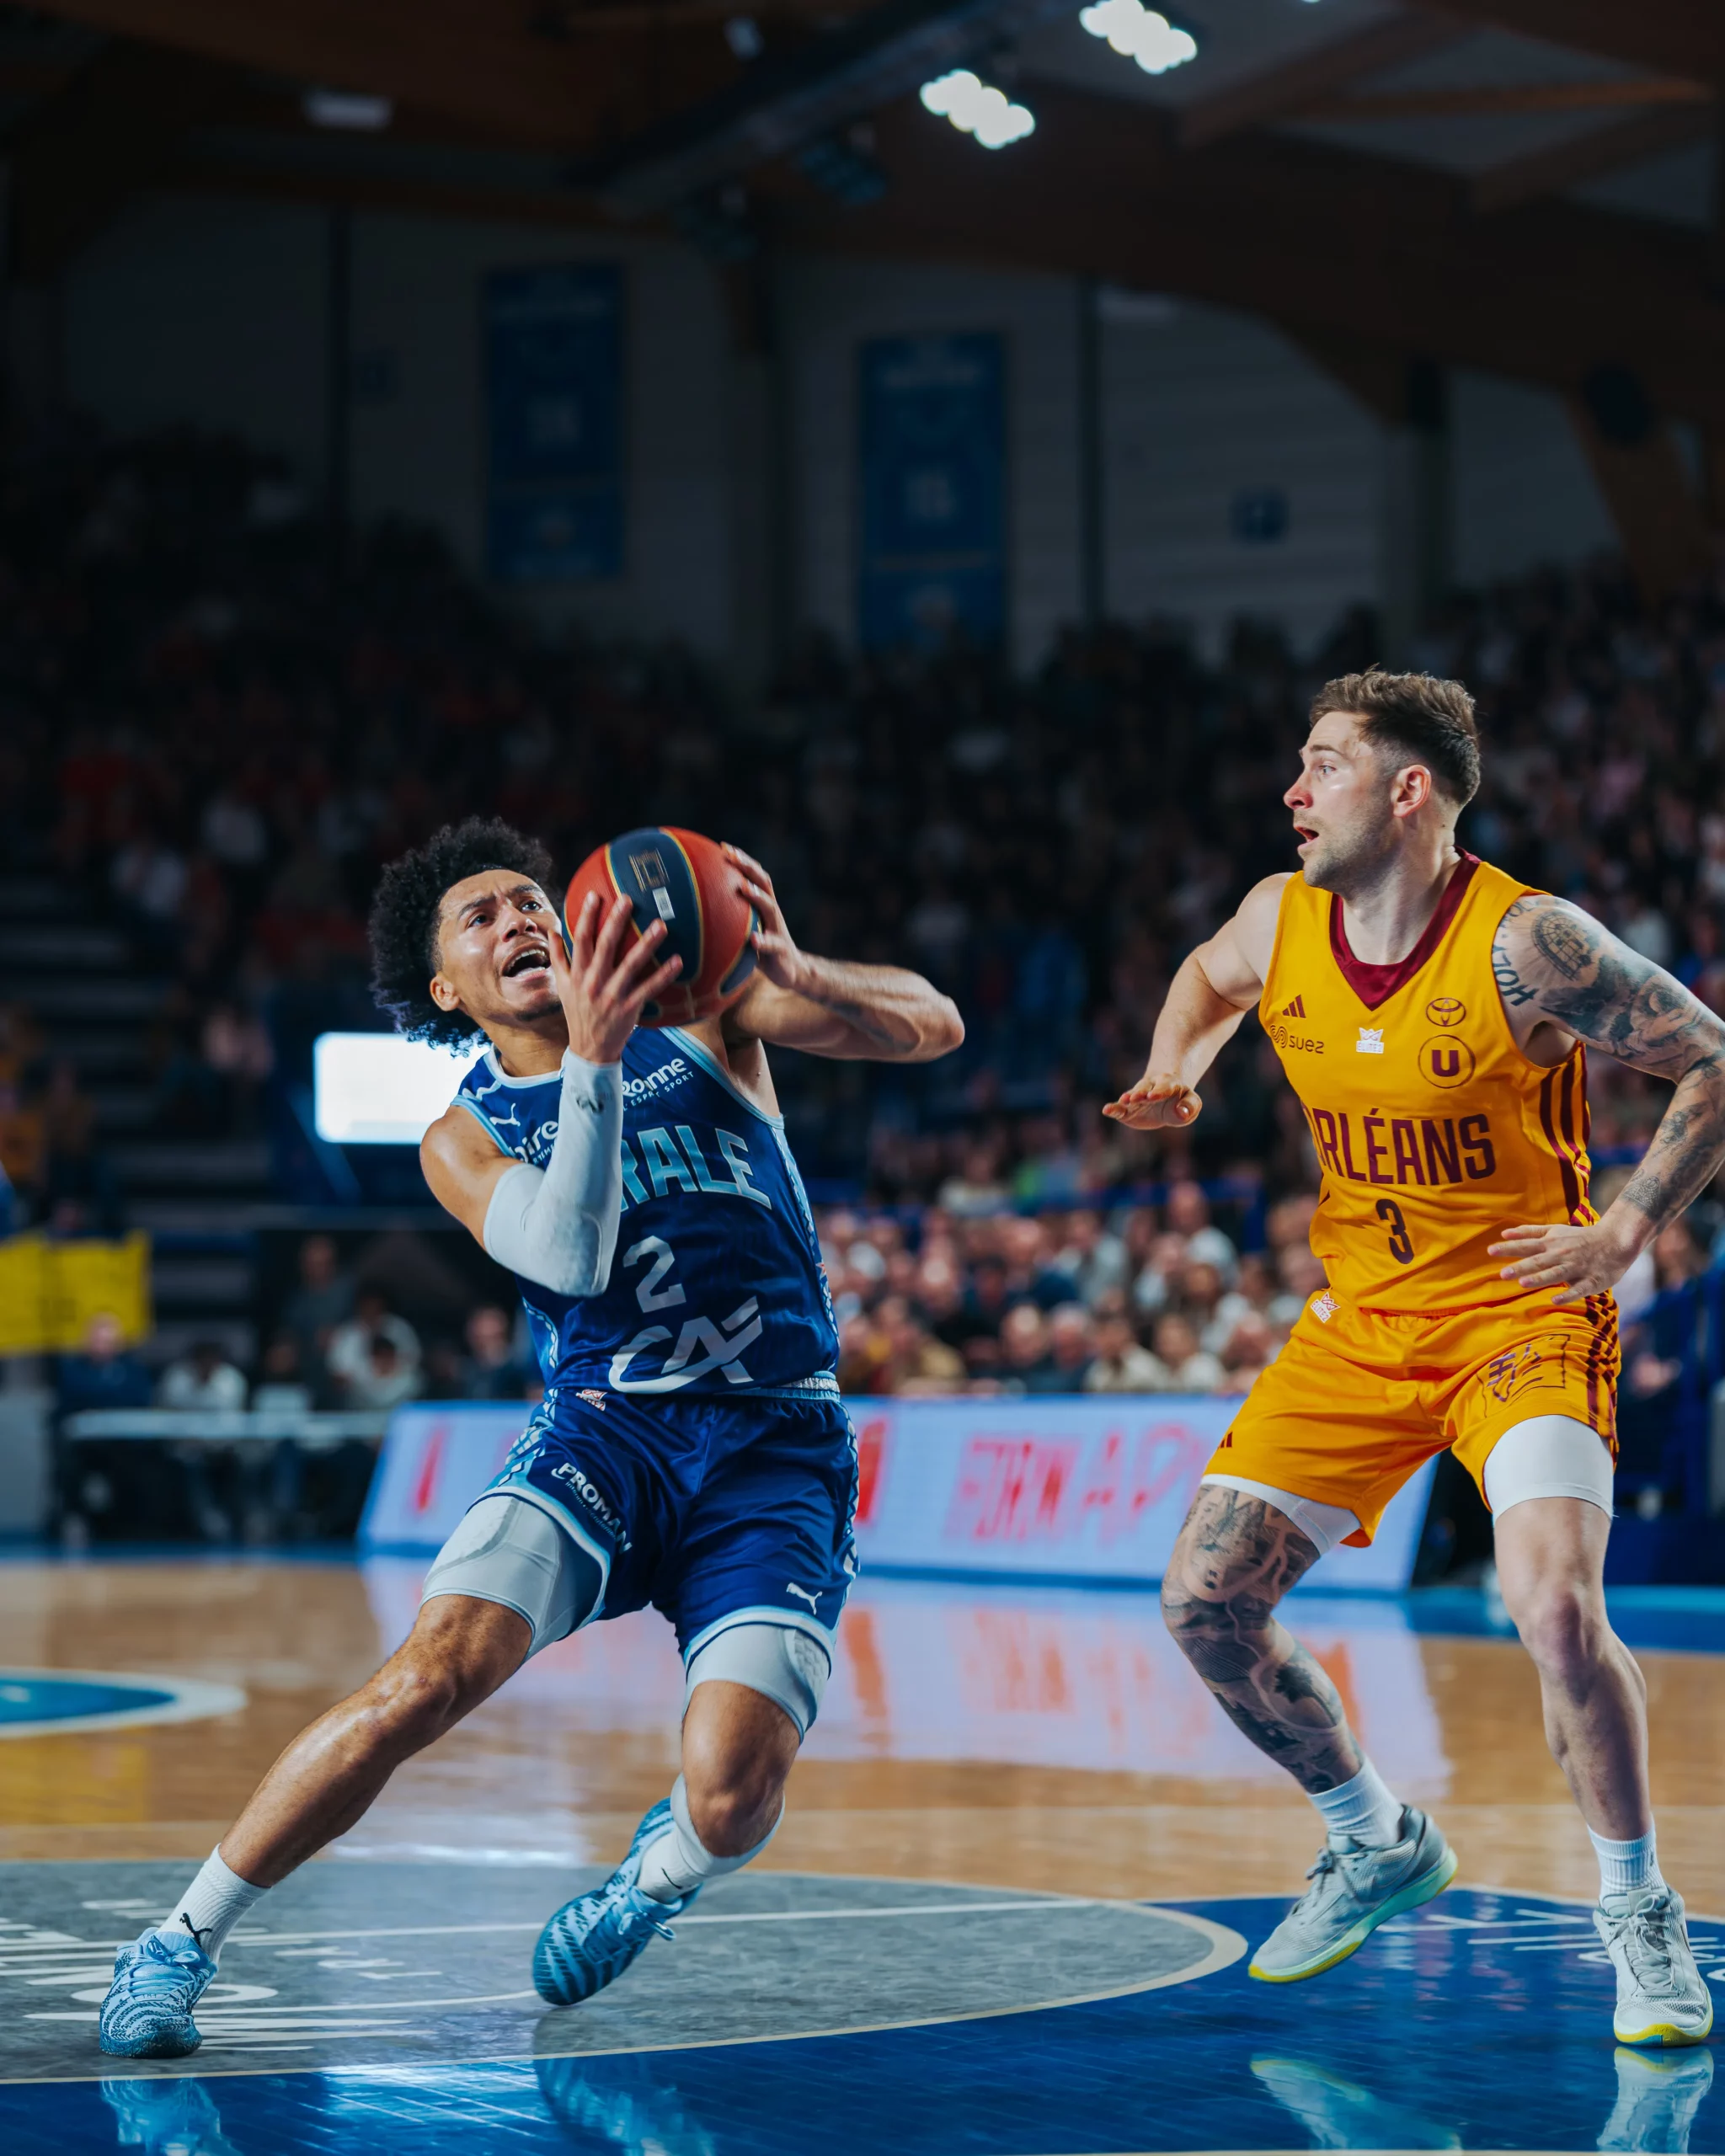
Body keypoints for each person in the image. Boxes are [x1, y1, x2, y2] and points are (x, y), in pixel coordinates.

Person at [99, 814, 960, 2059]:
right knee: (424, 1679)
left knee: (732, 1793)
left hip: (777, 1447)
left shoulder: (705, 1019)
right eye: (482, 916)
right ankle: (179, 1941)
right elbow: (571, 1257)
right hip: (607, 1436)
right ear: (446, 990)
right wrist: (594, 1064)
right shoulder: (462, 1136)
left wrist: (799, 968)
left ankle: (655, 1879)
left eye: (531, 901)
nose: (519, 920)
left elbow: (937, 1026)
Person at [1105, 667, 1725, 2046]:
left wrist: (1625, 1232)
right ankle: (1371, 1835)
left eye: (1322, 764)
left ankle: (1639, 1911)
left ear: (1408, 791)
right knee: (1204, 1602)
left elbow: (1713, 1061)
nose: (1292, 791)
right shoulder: (1278, 918)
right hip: (1363, 1328)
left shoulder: (1528, 945)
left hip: (1521, 1317)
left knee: (1554, 1612)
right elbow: (1205, 978)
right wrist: (1176, 1065)